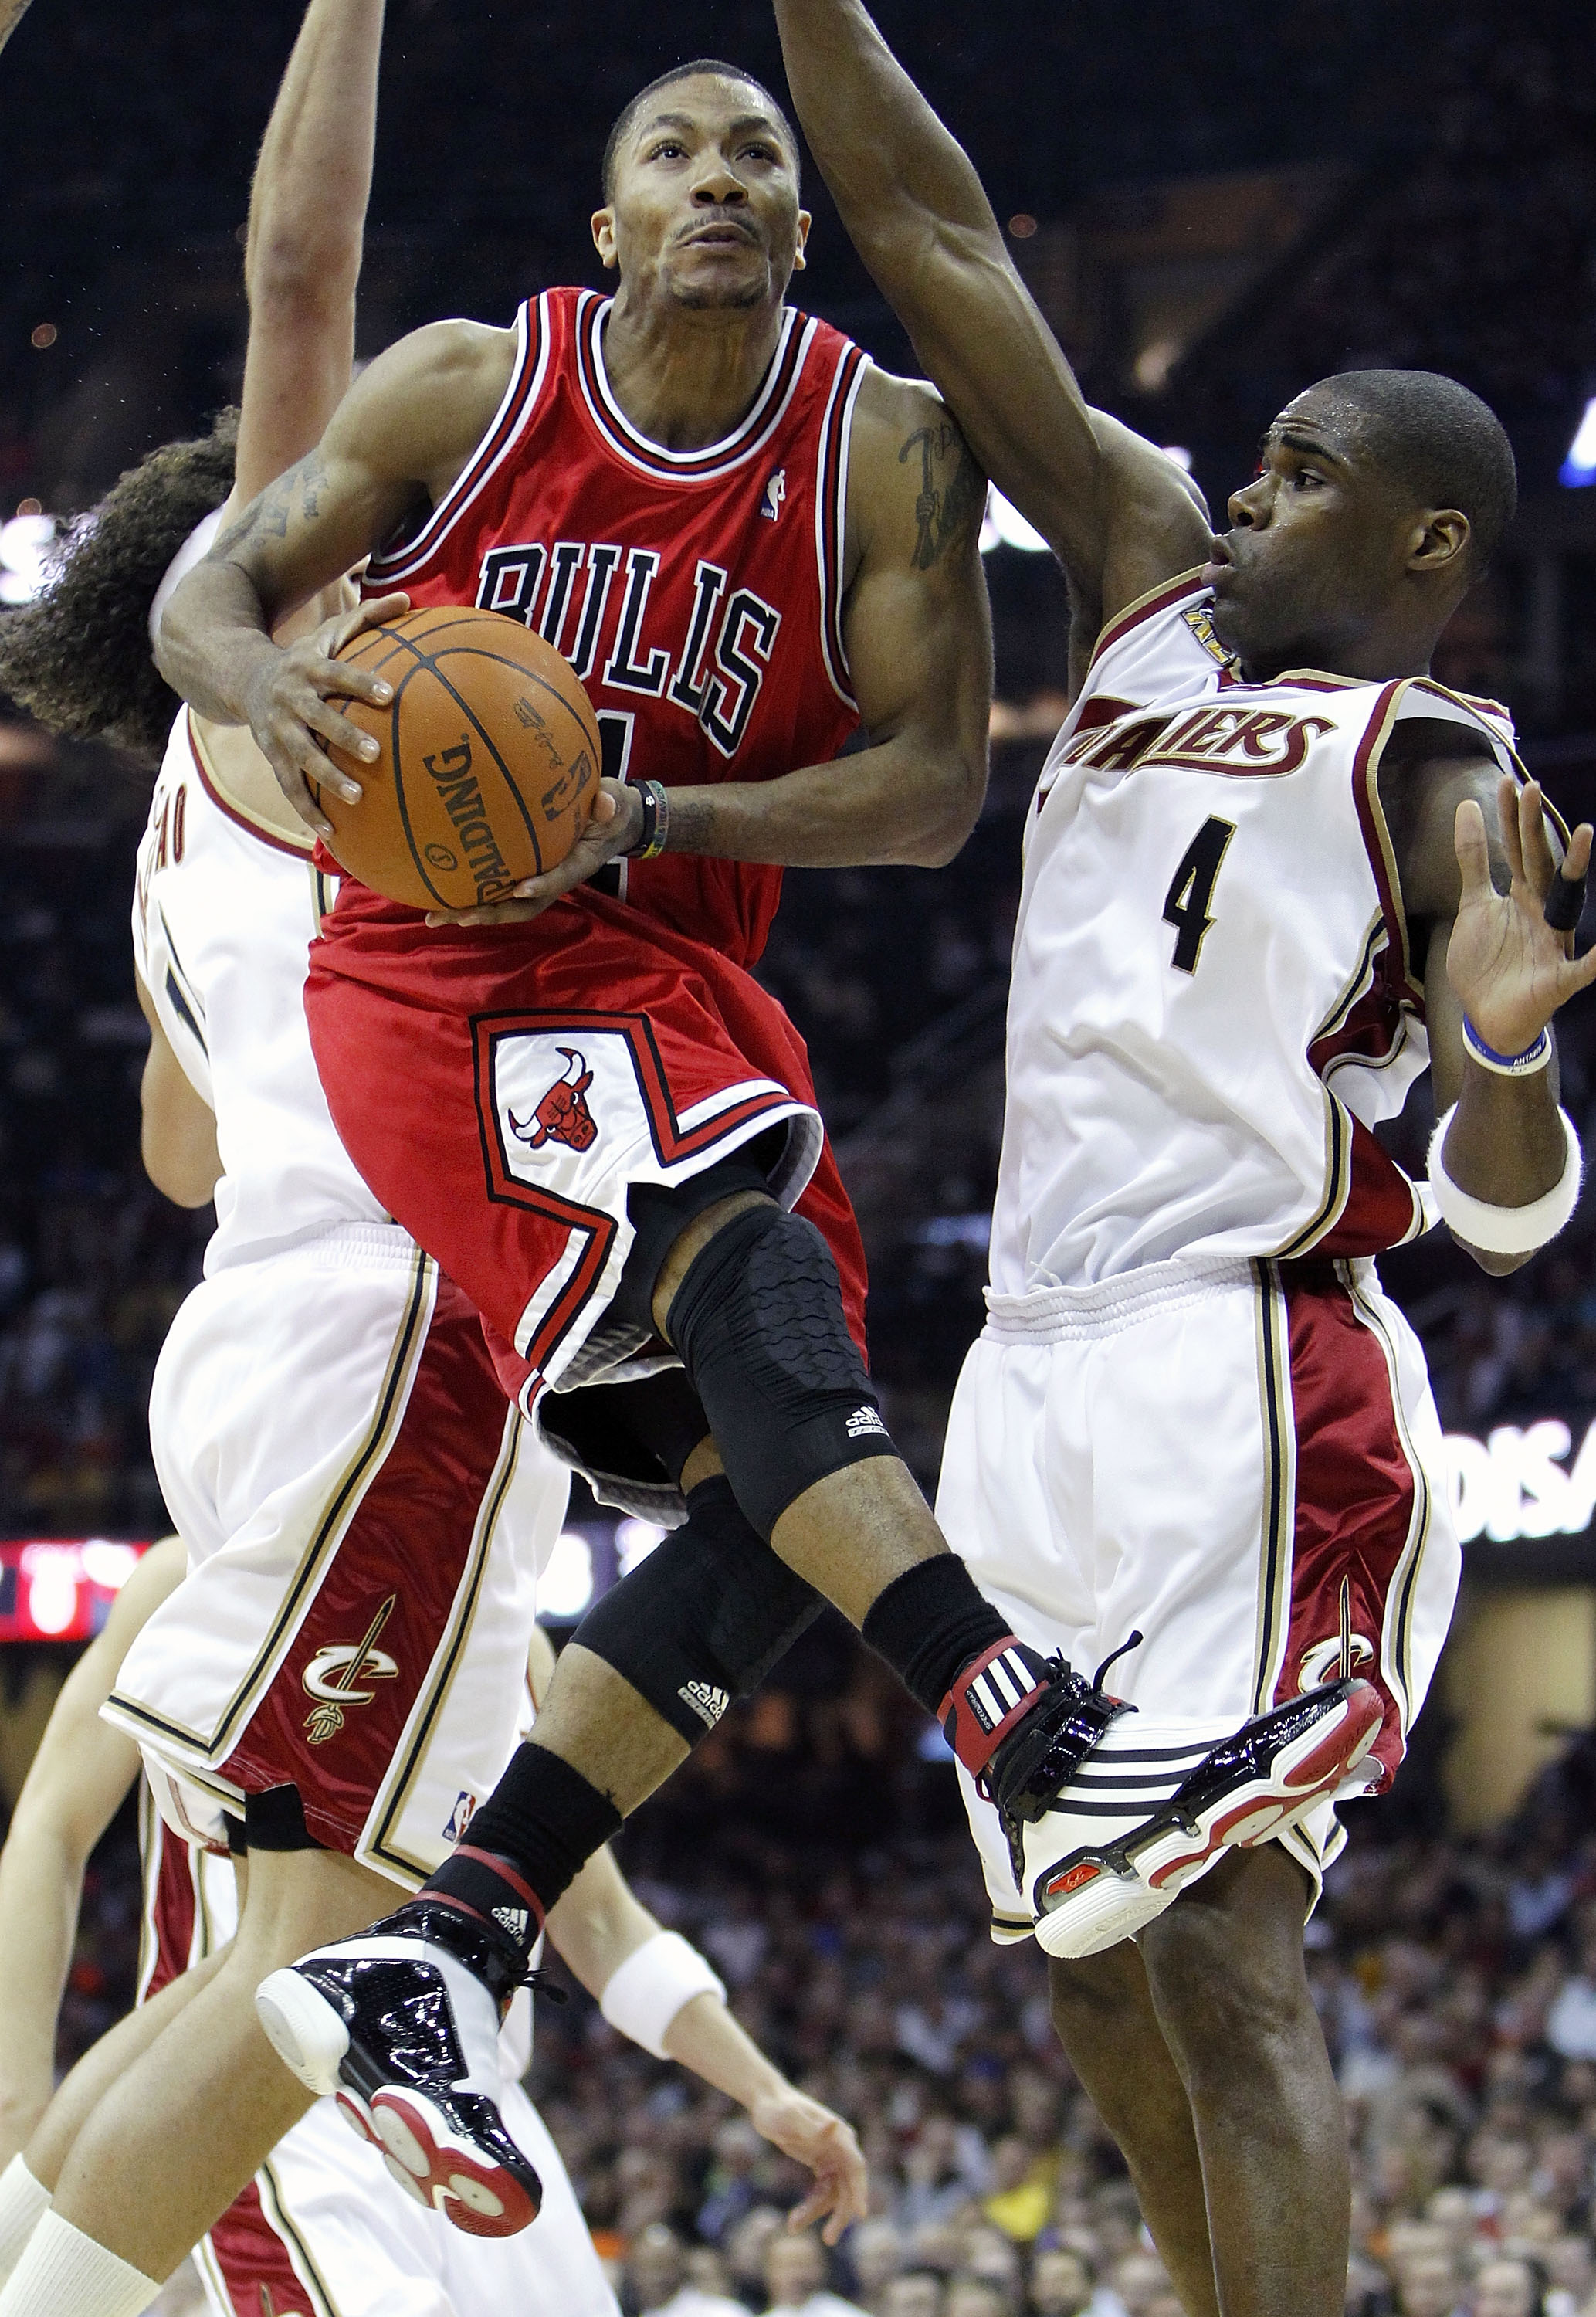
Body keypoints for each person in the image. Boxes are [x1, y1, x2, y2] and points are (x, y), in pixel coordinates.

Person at [157, 53, 1376, 2233]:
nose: (718, 180)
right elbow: (202, 596)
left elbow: (925, 792)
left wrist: (646, 817)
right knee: (747, 1265)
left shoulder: (875, 445)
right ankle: (1023, 1734)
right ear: (606, 222)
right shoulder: (467, 387)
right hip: (440, 973)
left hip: (681, 977)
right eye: (671, 153)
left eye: (756, 161)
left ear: (798, 235)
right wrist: (251, 691)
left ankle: (455, 1942)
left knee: (777, 1506)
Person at [0, 13, 860, 2315]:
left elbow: (182, 1148)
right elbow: (302, 273)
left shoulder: (186, 833)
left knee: (272, 1967)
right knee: (312, 1969)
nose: (404, 537)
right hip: (393, 1340)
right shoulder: (297, 684)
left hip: (256, 1342)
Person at [766, 8, 1596, 2317]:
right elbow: (928, 233)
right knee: (1089, 1981)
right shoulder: (1138, 568)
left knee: (1226, 1956)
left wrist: (1504, 1051)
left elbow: (1506, 1196)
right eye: (1249, 452)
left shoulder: (1436, 777)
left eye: (1300, 468)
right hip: (1021, 1380)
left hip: (1240, 1381)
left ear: (1420, 536)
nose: (1242, 483)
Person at [0, 1544, 865, 2317]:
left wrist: (765, 2091)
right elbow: (49, 1828)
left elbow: (599, 1919)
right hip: (270, 2097)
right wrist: (17, 2106)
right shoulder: (193, 1573)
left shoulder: (517, 1641)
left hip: (481, 2109)